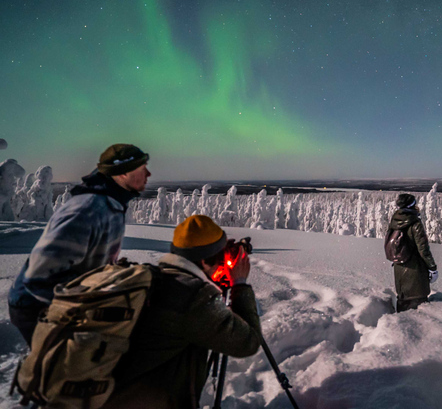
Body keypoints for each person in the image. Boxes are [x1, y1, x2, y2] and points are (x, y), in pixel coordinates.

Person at [103, 215, 262, 409]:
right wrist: (239, 284)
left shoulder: (156, 279)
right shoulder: (194, 299)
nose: (222, 262)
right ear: (204, 261)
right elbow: (249, 342)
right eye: (219, 256)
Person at [7, 143, 151, 345]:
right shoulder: (88, 209)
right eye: (142, 169)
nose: (149, 173)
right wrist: (95, 303)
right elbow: (39, 277)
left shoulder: (112, 204)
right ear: (123, 173)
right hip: (35, 305)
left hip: (61, 301)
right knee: (69, 369)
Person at [388, 193, 438, 312]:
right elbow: (423, 249)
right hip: (415, 271)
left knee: (403, 302)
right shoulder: (415, 223)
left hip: (399, 268)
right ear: (412, 205)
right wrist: (432, 268)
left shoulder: (395, 221)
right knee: (418, 309)